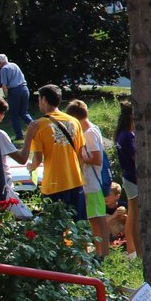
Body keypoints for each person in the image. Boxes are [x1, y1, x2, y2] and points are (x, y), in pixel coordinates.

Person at [66, 100, 110, 256]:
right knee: (93, 220)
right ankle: (98, 253)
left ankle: (104, 254)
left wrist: (81, 158)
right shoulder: (91, 130)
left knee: (99, 219)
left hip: (93, 183)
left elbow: (97, 159)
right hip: (89, 183)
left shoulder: (89, 133)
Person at [114, 102, 140, 256]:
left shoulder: (124, 133)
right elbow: (135, 157)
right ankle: (132, 250)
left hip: (129, 177)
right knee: (134, 215)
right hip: (132, 178)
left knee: (133, 214)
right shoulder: (127, 136)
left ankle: (133, 249)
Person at [0, 53, 32, 140]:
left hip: (15, 91)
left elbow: (4, 85)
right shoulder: (14, 65)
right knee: (24, 112)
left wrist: (6, 97)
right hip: (24, 89)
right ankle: (38, 128)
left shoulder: (4, 69)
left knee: (14, 115)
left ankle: (19, 135)